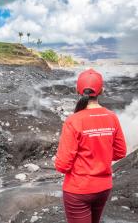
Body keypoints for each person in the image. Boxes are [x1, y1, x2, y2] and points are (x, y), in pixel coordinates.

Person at [54, 69, 127, 223]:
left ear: (77, 90)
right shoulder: (112, 117)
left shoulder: (73, 120)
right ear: (102, 90)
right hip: (103, 188)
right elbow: (120, 152)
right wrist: (102, 152)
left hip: (78, 190)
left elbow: (62, 165)